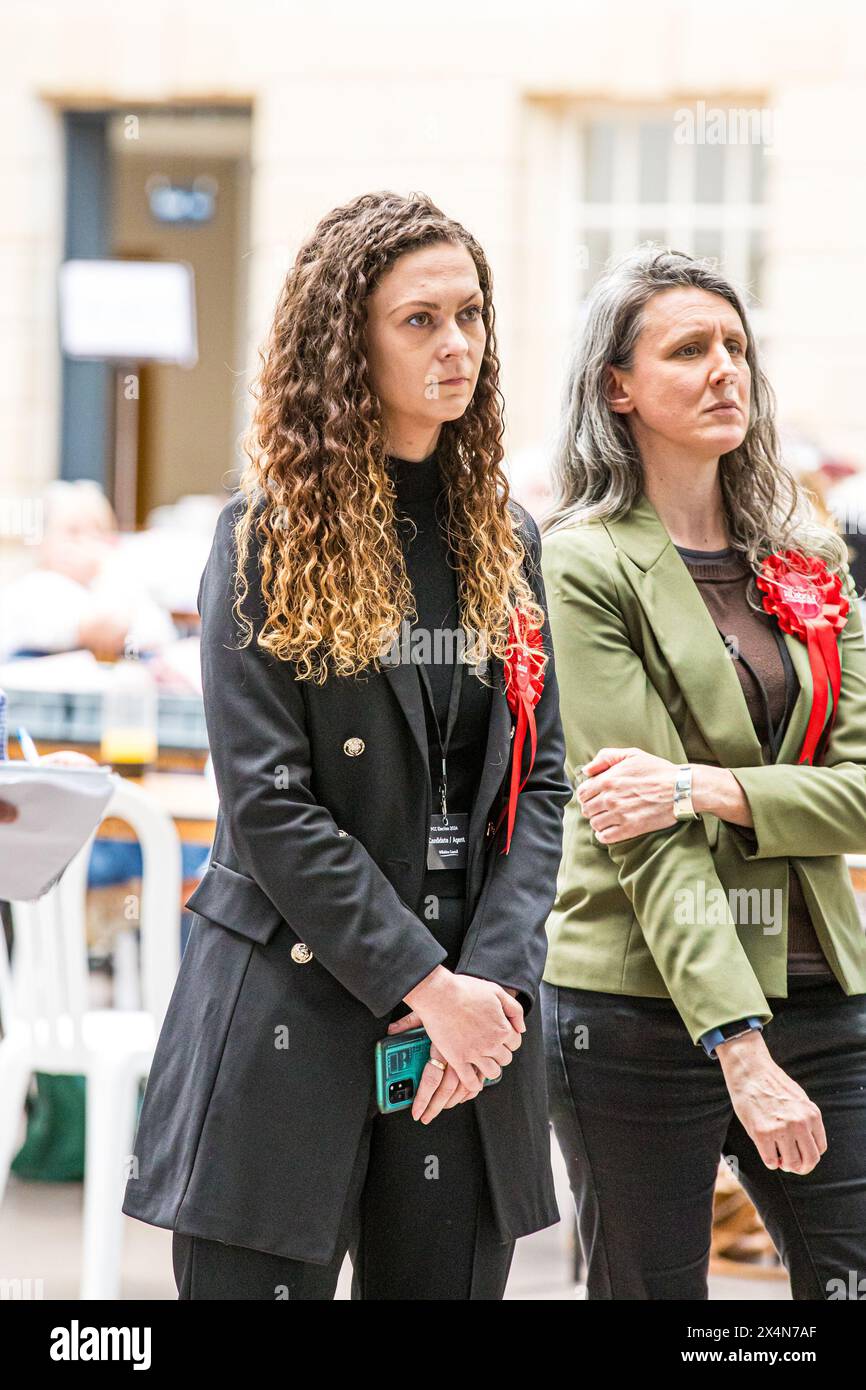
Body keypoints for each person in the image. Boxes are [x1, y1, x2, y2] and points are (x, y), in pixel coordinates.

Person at [121, 190, 572, 1300]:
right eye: (420, 320)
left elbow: (539, 780)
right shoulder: (263, 536)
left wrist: (489, 992)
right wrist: (427, 985)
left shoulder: (504, 538)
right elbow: (272, 807)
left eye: (470, 315)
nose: (457, 343)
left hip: (467, 1042)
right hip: (292, 1010)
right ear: (346, 340)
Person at [539, 246, 866, 1300]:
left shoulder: (806, 554)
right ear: (615, 387)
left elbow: (858, 791)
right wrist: (736, 1043)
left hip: (820, 982)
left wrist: (702, 785)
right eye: (688, 349)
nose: (724, 368)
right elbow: (637, 831)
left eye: (735, 346)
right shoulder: (579, 560)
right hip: (636, 998)